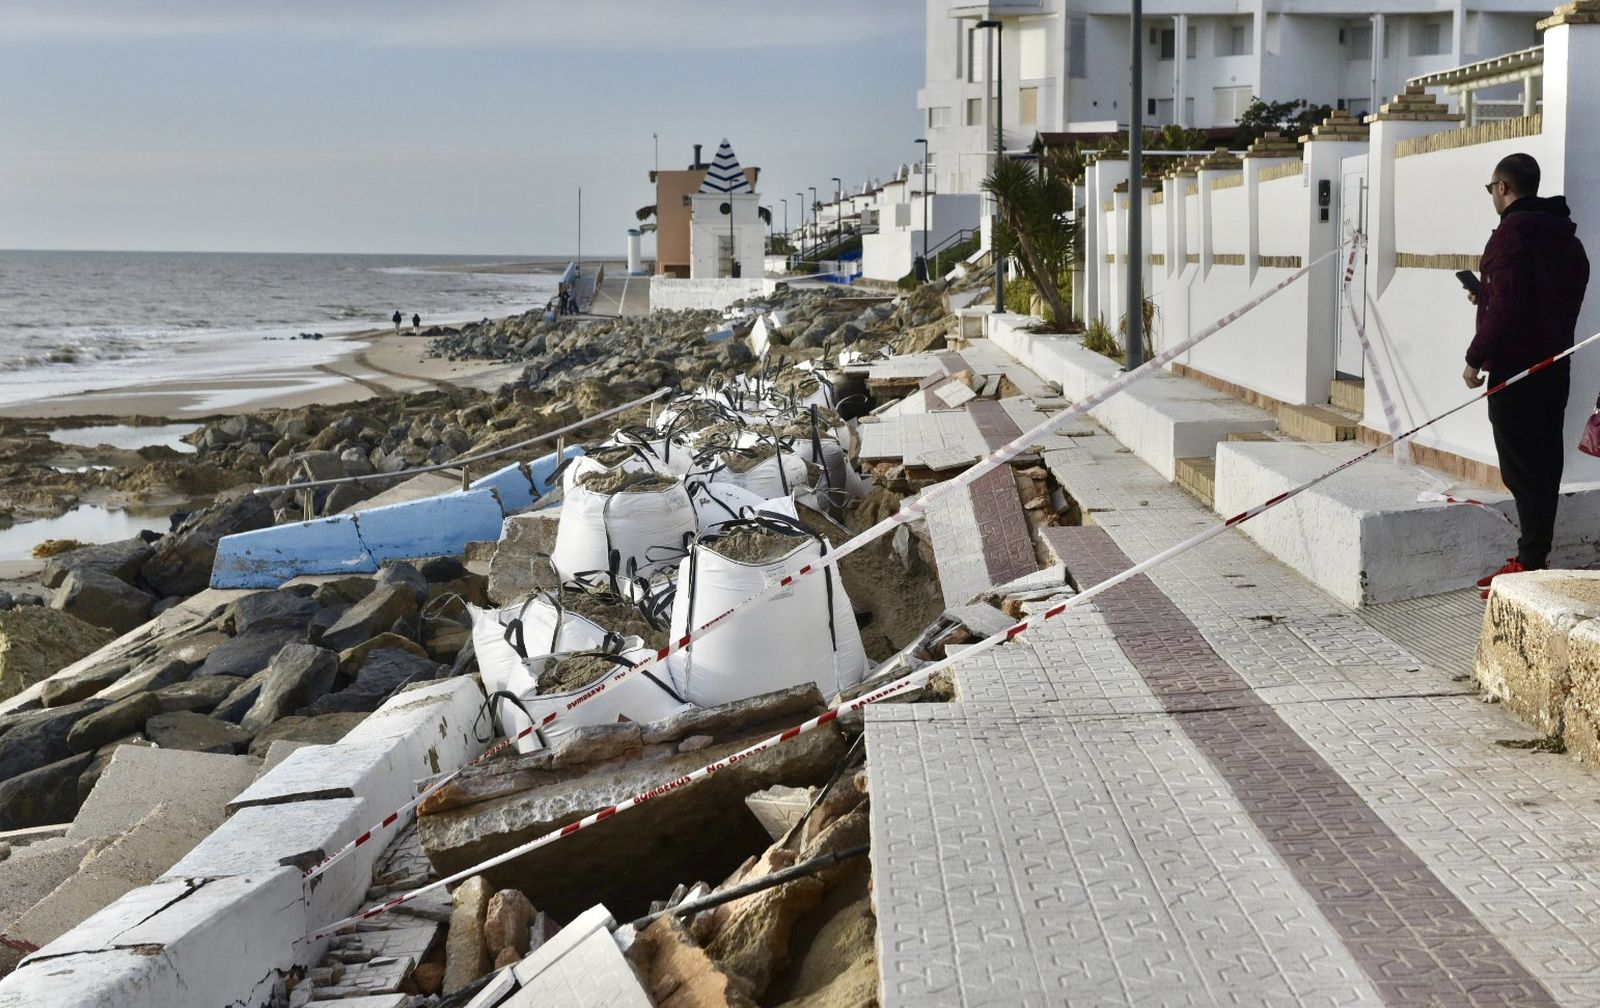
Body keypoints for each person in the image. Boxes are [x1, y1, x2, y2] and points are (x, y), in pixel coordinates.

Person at [1464, 152, 1590, 595]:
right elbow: (1545, 295)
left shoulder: (1510, 236)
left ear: (1503, 187)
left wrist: (1475, 357)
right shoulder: (1566, 236)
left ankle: (1531, 560)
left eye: (1491, 189)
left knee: (1521, 468)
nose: (1491, 196)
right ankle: (1535, 554)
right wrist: (1487, 295)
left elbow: (1509, 309)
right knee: (1544, 463)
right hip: (1554, 365)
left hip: (1515, 370)